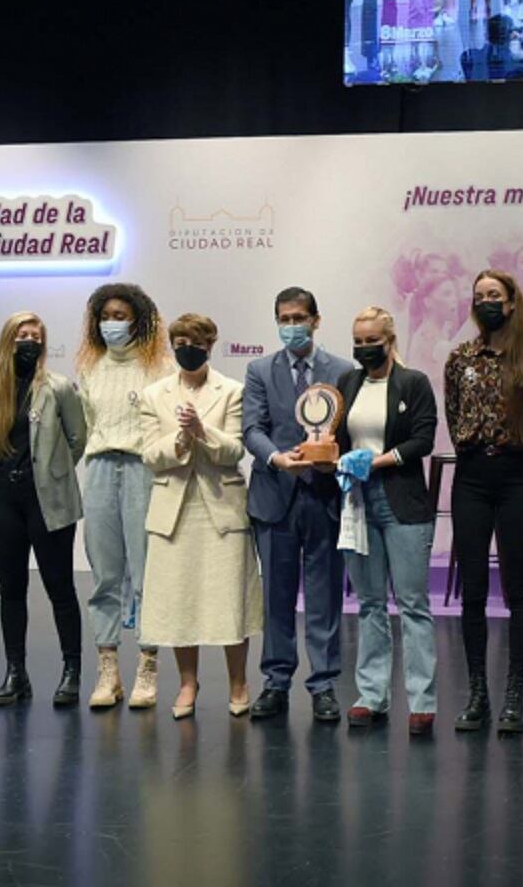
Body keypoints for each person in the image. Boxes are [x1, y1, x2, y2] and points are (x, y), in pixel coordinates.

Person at [445, 270, 523, 735]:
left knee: (517, 591)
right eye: (479, 296)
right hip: (471, 478)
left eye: (495, 295)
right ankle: (477, 694)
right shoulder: (460, 358)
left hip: (517, 479)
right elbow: (453, 416)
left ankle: (514, 695)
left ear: (512, 303)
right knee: (472, 590)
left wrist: (518, 451)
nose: (487, 301)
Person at [137, 314, 261, 719]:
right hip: (173, 508)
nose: (186, 346)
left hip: (221, 507)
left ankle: (238, 683)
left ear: (210, 344)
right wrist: (179, 437)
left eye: (194, 340)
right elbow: (150, 456)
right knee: (178, 601)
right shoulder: (154, 393)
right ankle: (188, 683)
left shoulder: (233, 391)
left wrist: (202, 430)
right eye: (179, 340)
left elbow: (235, 451)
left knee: (229, 601)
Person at [242, 287, 356, 723]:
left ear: (316, 320)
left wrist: (332, 458)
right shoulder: (259, 370)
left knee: (326, 595)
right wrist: (276, 457)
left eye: (299, 318)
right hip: (275, 496)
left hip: (324, 495)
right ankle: (275, 681)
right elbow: (253, 428)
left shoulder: (342, 371)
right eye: (284, 318)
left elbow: (347, 435)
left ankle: (324, 684)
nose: (291, 326)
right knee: (276, 595)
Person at [334, 308, 440, 734]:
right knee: (371, 603)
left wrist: (376, 462)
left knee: (413, 604)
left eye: (371, 340)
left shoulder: (413, 383)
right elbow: (337, 434)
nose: (363, 347)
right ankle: (372, 695)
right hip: (356, 502)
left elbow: (423, 439)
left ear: (390, 339)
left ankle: (422, 701)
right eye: (358, 341)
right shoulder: (347, 383)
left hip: (403, 502)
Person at [0, 311, 86, 709]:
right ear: (8, 340)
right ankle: (15, 673)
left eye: (35, 335)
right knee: (10, 590)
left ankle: (72, 671)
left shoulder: (58, 388)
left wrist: (51, 474)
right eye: (21, 335)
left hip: (47, 500)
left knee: (60, 587)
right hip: (0, 499)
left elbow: (78, 439)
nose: (29, 341)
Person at [76, 283, 171, 712]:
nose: (112, 323)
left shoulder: (160, 366)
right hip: (98, 469)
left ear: (139, 318)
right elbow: (88, 423)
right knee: (104, 572)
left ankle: (148, 666)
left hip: (141, 471)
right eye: (106, 315)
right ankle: (108, 668)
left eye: (121, 315)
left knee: (147, 570)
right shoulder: (91, 366)